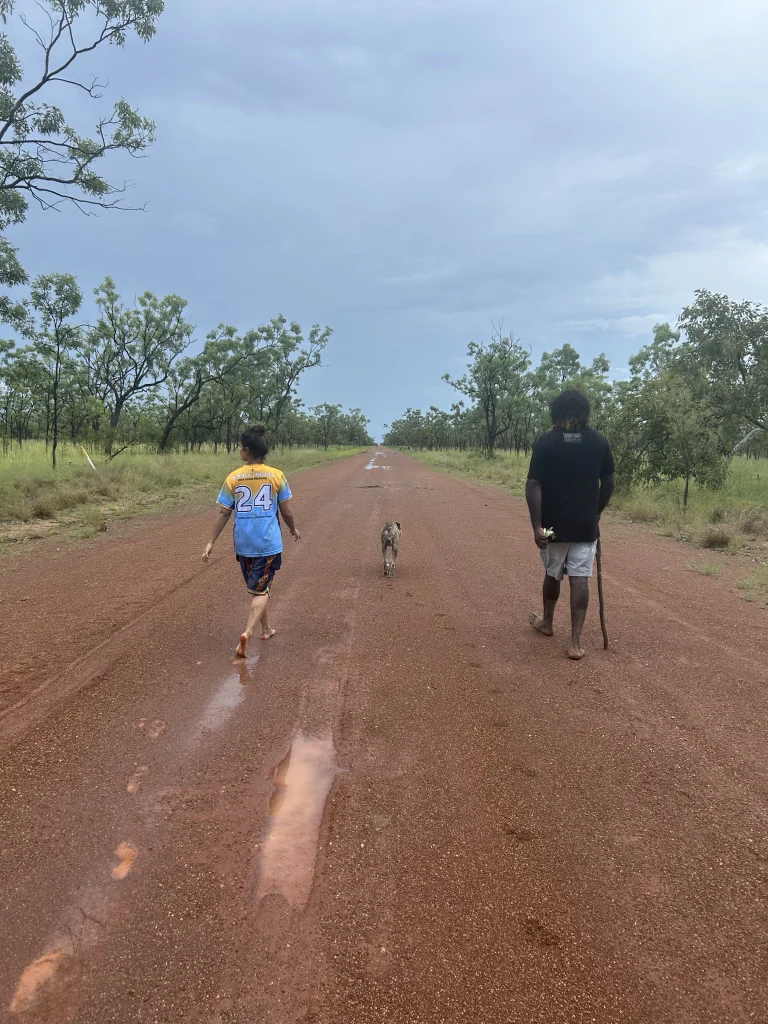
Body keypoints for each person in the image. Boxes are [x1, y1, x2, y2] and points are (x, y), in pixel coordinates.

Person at [525, 389, 614, 660]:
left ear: (556, 413)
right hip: (585, 524)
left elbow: (533, 484)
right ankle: (575, 643)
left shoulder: (546, 442)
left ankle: (547, 623)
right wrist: (596, 512)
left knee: (552, 573)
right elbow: (608, 483)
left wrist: (537, 526)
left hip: (552, 526)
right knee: (580, 577)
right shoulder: (598, 442)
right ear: (585, 413)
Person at [203, 424, 301, 658]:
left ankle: (266, 629)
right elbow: (286, 511)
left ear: (246, 450)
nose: (239, 450)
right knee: (261, 590)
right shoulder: (276, 475)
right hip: (267, 543)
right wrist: (293, 529)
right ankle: (248, 632)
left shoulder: (234, 477)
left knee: (258, 588)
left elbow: (224, 512)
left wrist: (210, 541)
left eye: (240, 447)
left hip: (244, 544)